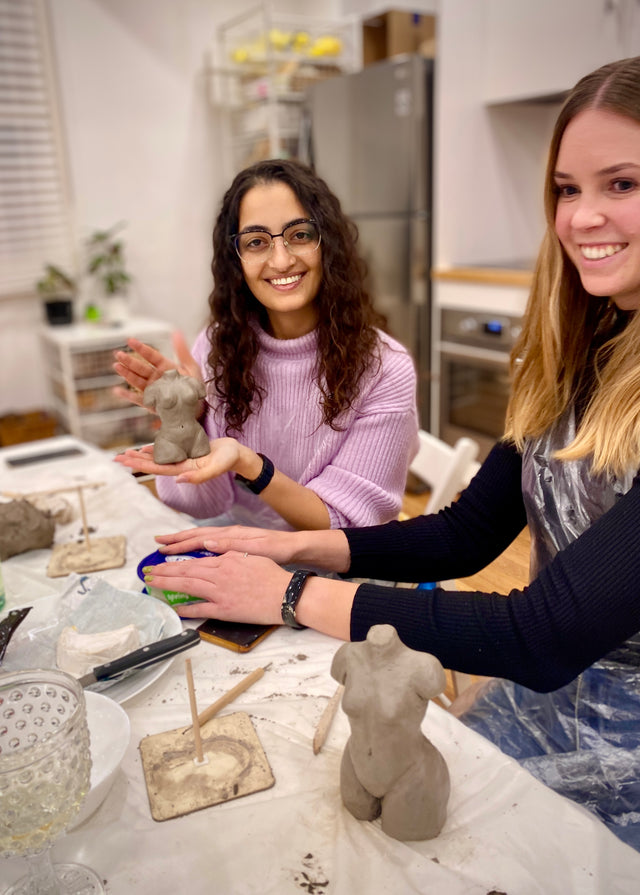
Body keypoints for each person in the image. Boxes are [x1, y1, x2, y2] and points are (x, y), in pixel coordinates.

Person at [140, 57, 640, 851]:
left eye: (622, 184)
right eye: (567, 190)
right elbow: (463, 535)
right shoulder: (579, 353)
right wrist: (284, 543)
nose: (582, 218)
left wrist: (289, 591)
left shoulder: (383, 365)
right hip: (551, 700)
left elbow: (541, 633)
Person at [114, 159, 419, 531]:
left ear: (329, 245)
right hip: (238, 546)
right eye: (256, 242)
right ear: (236, 260)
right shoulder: (217, 347)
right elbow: (198, 504)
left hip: (335, 570)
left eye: (300, 235)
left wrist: (249, 464)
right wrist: (188, 421)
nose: (281, 259)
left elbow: (343, 526)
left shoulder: (385, 367)